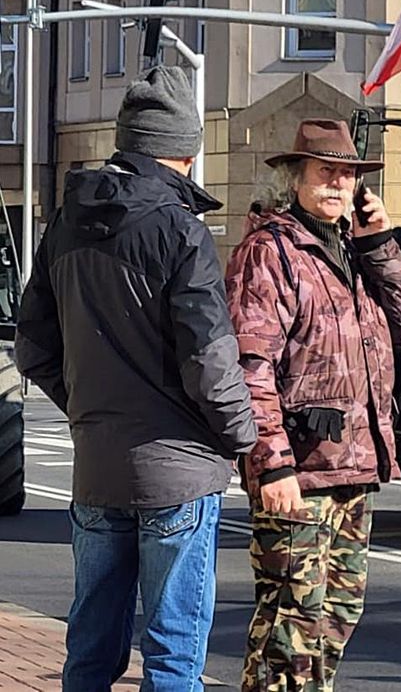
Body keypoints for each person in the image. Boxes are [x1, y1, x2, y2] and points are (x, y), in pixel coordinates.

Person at [14, 65, 258, 691]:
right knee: (174, 656)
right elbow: (209, 360)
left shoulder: (65, 224)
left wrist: (88, 409)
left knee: (91, 647)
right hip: (178, 471)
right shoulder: (182, 231)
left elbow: (33, 347)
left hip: (97, 468)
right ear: (188, 149)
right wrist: (241, 437)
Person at [225, 118, 401, 690]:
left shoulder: (356, 252)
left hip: (355, 465)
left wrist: (380, 243)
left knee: (335, 619)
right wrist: (273, 463)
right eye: (326, 173)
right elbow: (251, 367)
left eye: (348, 175)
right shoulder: (270, 253)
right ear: (296, 178)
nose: (339, 185)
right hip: (300, 474)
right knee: (290, 627)